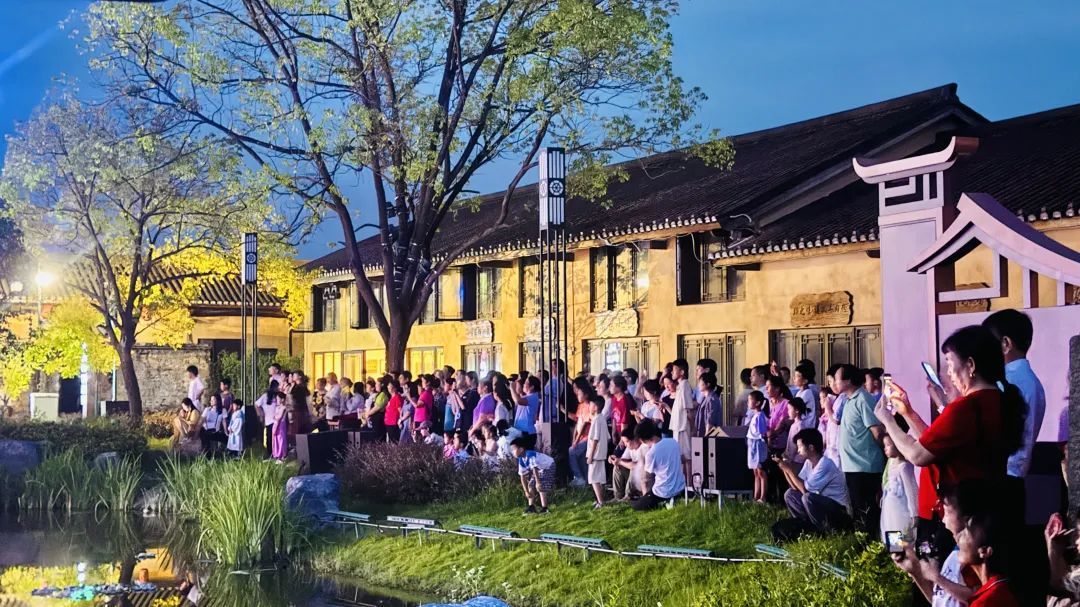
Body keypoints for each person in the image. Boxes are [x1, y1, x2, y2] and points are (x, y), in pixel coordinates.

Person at [876, 325, 1024, 549]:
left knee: (936, 565)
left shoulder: (966, 407)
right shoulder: (998, 401)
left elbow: (917, 455)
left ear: (970, 365)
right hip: (984, 509)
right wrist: (908, 413)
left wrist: (888, 421)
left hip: (956, 513)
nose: (949, 374)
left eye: (950, 364)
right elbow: (935, 444)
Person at [982, 309, 1046, 479]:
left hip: (1002, 476)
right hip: (1010, 475)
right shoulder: (1029, 380)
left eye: (987, 344)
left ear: (1005, 344)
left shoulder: (1010, 382)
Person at [836, 363, 885, 536]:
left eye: (837, 379)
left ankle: (873, 544)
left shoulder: (863, 399)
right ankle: (863, 544)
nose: (834, 383)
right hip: (853, 466)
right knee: (858, 511)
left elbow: (877, 432)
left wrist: (886, 454)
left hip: (865, 466)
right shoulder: (849, 400)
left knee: (867, 511)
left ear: (848, 380)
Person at [774, 428, 852, 535]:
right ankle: (804, 526)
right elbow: (795, 487)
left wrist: (788, 469)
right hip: (822, 505)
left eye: (800, 446)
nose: (798, 450)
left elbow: (805, 490)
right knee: (790, 494)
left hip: (838, 509)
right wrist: (784, 468)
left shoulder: (825, 464)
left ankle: (821, 531)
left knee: (808, 498)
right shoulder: (808, 463)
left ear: (811, 447)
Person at [958, 513, 1021, 606]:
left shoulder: (986, 601)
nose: (958, 537)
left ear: (985, 551)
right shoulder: (1000, 588)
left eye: (965, 533)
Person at [880, 416, 919, 546]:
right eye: (884, 446)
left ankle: (904, 554)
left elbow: (911, 490)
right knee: (891, 532)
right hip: (890, 508)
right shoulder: (890, 464)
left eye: (888, 445)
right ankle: (895, 554)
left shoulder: (904, 467)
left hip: (901, 510)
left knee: (902, 536)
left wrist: (914, 513)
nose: (885, 449)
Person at [631, 420, 686, 511]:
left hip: (662, 492)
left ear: (642, 440)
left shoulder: (651, 453)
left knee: (636, 506)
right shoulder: (673, 442)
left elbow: (646, 478)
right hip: (680, 487)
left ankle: (665, 502)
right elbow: (682, 459)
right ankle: (674, 499)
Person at [512, 437, 555, 514]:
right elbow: (522, 476)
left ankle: (545, 508)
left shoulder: (530, 455)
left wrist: (538, 482)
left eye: (514, 449)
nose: (512, 452)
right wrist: (526, 491)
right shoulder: (521, 460)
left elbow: (534, 469)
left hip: (548, 466)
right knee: (531, 485)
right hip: (539, 469)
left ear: (521, 449)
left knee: (541, 486)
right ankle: (531, 507)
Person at [669, 358, 697, 474]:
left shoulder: (685, 385)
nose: (672, 372)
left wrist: (693, 427)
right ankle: (683, 481)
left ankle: (689, 482)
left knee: (687, 456)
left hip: (683, 426)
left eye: (674, 369)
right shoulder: (680, 385)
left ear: (682, 372)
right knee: (680, 456)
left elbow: (688, 409)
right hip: (678, 426)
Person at [568, 377, 595, 487]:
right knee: (582, 458)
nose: (577, 395)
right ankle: (585, 480)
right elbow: (578, 422)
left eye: (579, 393)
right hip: (580, 437)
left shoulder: (590, 405)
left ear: (586, 394)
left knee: (572, 452)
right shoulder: (580, 405)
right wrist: (574, 438)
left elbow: (584, 424)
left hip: (587, 437)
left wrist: (577, 440)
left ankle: (578, 477)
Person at [609, 427, 648, 502]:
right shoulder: (629, 448)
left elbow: (637, 466)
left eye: (626, 441)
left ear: (634, 439)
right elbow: (623, 460)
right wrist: (615, 459)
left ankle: (628, 496)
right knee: (618, 466)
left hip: (644, 478)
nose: (625, 444)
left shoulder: (644, 447)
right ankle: (618, 496)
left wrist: (620, 462)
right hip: (635, 479)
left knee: (634, 469)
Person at [586, 395, 610, 509]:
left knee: (593, 478)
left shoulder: (596, 420)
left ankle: (600, 502)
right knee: (598, 478)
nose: (589, 407)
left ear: (595, 407)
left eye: (591, 405)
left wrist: (591, 455)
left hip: (595, 454)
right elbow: (607, 437)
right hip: (601, 453)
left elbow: (595, 439)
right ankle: (599, 500)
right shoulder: (602, 418)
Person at [746, 390, 769, 503]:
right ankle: (756, 496)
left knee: (761, 471)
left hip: (758, 444)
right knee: (755, 471)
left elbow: (762, 432)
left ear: (758, 402)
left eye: (750, 400)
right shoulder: (755, 415)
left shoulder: (760, 416)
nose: (748, 402)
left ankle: (763, 497)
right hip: (752, 444)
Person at [511, 375, 541, 441]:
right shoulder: (527, 396)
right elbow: (517, 400)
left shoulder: (533, 397)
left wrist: (512, 388)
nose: (523, 385)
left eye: (526, 383)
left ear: (532, 387)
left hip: (527, 432)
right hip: (522, 431)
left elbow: (518, 401)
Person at [255, 381, 279, 458]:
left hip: (277, 419)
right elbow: (257, 404)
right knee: (269, 437)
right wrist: (260, 414)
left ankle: (276, 453)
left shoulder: (278, 396)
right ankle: (270, 453)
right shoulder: (265, 396)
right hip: (269, 420)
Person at [783, 398, 809, 465]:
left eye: (789, 409)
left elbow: (794, 445)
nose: (788, 412)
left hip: (796, 460)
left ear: (797, 410)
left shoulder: (799, 426)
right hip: (794, 459)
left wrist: (788, 458)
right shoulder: (797, 424)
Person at [792, 363, 818, 429]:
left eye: (797, 376)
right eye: (794, 375)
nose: (794, 378)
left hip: (806, 426)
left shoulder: (807, 393)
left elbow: (795, 409)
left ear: (805, 381)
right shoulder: (799, 392)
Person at [271, 392, 289, 460]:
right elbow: (274, 416)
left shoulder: (283, 408)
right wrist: (275, 417)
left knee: (281, 438)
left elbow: (279, 416)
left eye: (278, 399)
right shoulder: (277, 407)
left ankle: (282, 454)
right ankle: (276, 454)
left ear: (282, 399)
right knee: (275, 439)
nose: (277, 400)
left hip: (281, 425)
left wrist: (276, 417)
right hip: (276, 424)